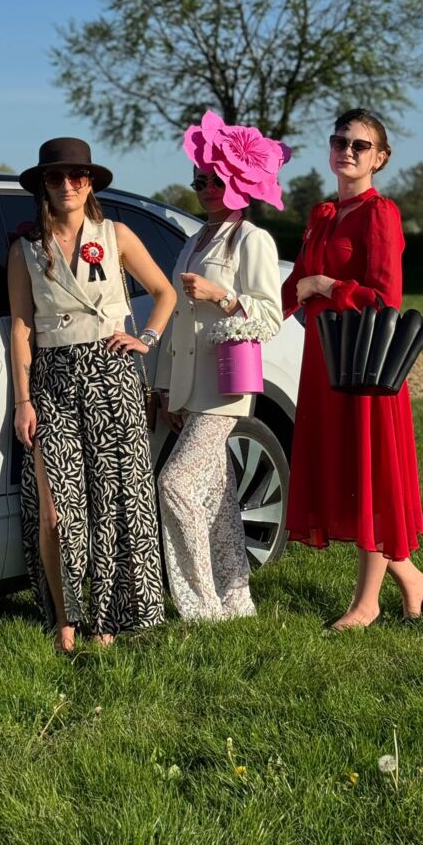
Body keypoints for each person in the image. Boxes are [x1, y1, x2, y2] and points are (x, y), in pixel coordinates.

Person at [8, 137, 177, 651]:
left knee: (115, 501)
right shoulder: (26, 249)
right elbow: (21, 326)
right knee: (55, 509)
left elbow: (165, 292)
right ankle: (65, 616)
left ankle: (108, 617)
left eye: (77, 176)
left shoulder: (116, 234)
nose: (68, 185)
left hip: (112, 376)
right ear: (43, 185)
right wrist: (23, 400)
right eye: (56, 177)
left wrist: (147, 338)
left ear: (90, 183)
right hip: (53, 380)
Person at [282, 108, 423, 629]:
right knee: (346, 472)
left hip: (366, 363)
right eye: (339, 141)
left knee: (370, 473)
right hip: (323, 362)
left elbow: (385, 297)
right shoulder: (322, 214)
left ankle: (367, 602)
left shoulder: (379, 213)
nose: (347, 150)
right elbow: (291, 287)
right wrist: (240, 307)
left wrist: (327, 287)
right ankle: (411, 579)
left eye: (360, 145)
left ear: (379, 158)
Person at [154, 111, 286, 622]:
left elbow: (270, 315)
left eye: (213, 180)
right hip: (190, 387)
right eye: (198, 181)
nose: (205, 189)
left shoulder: (252, 239)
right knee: (218, 498)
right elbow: (176, 322)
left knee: (176, 485)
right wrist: (166, 387)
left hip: (226, 386)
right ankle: (235, 600)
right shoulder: (195, 240)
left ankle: (201, 605)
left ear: (238, 182)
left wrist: (222, 296)